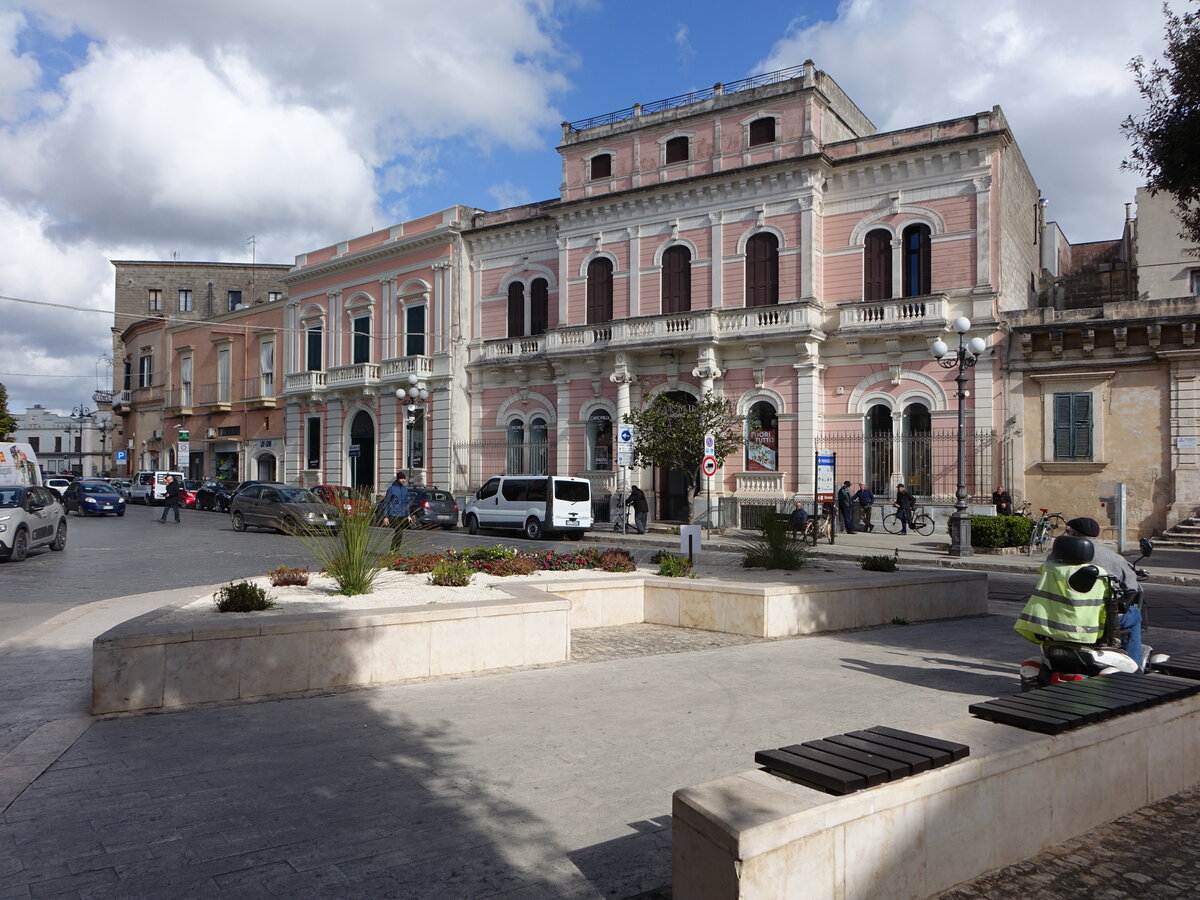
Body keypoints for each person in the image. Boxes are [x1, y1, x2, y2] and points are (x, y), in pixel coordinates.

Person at [1056, 516, 1145, 671]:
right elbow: (1132, 587)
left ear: (1074, 534)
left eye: (1068, 531)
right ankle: (1135, 666)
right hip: (1100, 618)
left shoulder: (1055, 558)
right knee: (1135, 615)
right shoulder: (1114, 558)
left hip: (1064, 614)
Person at [381, 472, 413, 553]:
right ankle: (393, 550)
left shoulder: (405, 490)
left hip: (402, 514)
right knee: (398, 531)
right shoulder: (391, 489)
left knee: (400, 533)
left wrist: (408, 515)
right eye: (401, 478)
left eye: (404, 478)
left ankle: (395, 550)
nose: (403, 480)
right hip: (393, 514)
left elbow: (406, 503)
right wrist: (385, 516)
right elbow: (386, 503)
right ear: (398, 479)